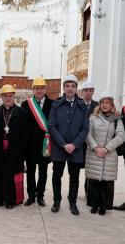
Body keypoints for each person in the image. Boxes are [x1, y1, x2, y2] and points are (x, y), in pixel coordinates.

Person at [49, 74, 89, 216]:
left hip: (75, 149)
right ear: (64, 88)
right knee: (56, 176)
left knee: (74, 177)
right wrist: (63, 144)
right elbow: (52, 126)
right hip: (59, 148)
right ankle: (57, 201)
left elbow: (85, 128)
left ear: (76, 88)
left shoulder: (82, 106)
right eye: (67, 86)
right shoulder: (56, 104)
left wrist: (74, 144)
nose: (70, 88)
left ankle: (72, 202)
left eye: (73, 86)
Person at [85, 91, 125, 215]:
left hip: (109, 154)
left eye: (107, 103)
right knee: (94, 181)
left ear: (111, 104)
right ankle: (94, 204)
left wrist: (106, 149)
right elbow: (87, 134)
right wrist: (96, 147)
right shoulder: (93, 117)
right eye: (102, 102)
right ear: (99, 104)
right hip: (94, 153)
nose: (104, 105)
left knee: (106, 182)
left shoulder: (117, 119)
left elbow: (121, 136)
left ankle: (103, 205)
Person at [0, 84, 29, 209]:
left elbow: (27, 132)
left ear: (14, 97)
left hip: (15, 150)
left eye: (10, 96)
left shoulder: (22, 112)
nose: (8, 98)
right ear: (1, 97)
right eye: (5, 96)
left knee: (13, 174)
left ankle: (11, 200)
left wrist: (20, 147)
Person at [21, 77, 53, 207]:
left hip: (46, 144)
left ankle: (40, 196)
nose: (39, 91)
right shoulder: (26, 104)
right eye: (36, 88)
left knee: (43, 172)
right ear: (33, 90)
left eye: (41, 88)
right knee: (30, 172)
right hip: (30, 146)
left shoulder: (52, 104)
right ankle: (31, 196)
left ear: (45, 89)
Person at [80, 81, 98, 196]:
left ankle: (89, 192)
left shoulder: (97, 105)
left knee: (91, 168)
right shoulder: (76, 104)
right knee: (75, 169)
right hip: (79, 142)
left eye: (90, 90)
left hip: (92, 141)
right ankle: (73, 192)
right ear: (82, 92)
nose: (88, 93)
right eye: (86, 90)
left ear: (93, 92)